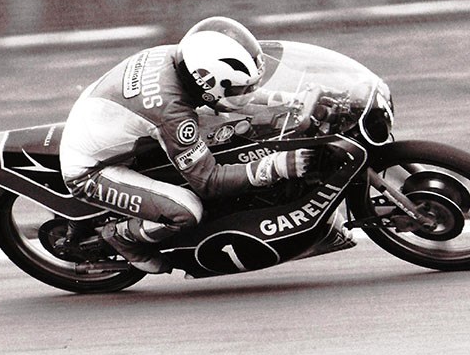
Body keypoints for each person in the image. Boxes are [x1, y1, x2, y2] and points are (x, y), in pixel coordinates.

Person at [59, 17, 316, 274]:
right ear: (207, 84)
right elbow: (209, 182)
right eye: (241, 88)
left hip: (103, 117)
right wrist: (276, 166)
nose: (244, 92)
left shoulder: (184, 57)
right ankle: (121, 236)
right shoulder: (172, 112)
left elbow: (232, 96)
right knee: (187, 212)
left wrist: (292, 100)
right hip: (90, 169)